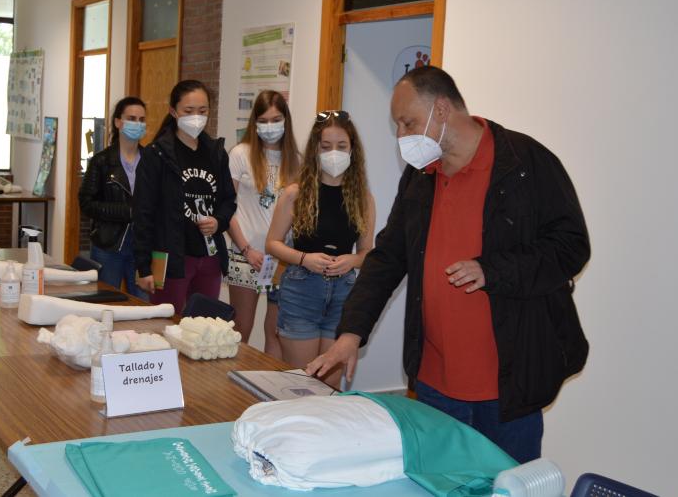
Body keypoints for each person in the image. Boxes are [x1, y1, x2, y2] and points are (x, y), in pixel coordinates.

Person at [306, 66, 590, 463]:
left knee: (508, 486)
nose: (402, 136)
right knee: (440, 486)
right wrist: (351, 332)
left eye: (408, 122)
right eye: (398, 126)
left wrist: (493, 269)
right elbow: (388, 257)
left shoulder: (525, 162)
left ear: (442, 109)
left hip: (508, 387)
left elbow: (571, 247)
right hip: (435, 384)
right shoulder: (421, 176)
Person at [265, 111, 375, 386]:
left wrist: (351, 260)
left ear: (353, 150)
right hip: (301, 290)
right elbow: (272, 243)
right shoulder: (295, 193)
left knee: (329, 387)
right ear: (315, 149)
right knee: (301, 384)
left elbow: (366, 254)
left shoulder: (363, 199)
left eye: (341, 147)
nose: (334, 153)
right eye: (326, 147)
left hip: (344, 294)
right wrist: (304, 258)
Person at [133, 80, 237, 315]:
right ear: (173, 111)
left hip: (209, 256)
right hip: (170, 257)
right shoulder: (156, 154)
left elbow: (228, 200)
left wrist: (218, 221)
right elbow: (143, 213)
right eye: (188, 111)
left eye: (202, 111)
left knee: (204, 326)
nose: (196, 117)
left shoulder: (216, 153)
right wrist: (143, 266)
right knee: (166, 323)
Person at [227, 90, 301, 359]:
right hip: (246, 254)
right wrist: (247, 249)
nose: (270, 126)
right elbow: (226, 209)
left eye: (277, 119)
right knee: (241, 330)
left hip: (281, 260)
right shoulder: (240, 154)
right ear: (255, 122)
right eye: (264, 120)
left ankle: (268, 392)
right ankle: (230, 394)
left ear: (286, 120)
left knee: (276, 332)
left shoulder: (297, 161)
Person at [79, 96, 148, 298]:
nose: (137, 124)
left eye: (142, 120)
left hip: (142, 247)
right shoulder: (101, 162)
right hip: (108, 245)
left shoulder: (151, 161)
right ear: (118, 122)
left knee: (144, 306)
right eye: (131, 118)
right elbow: (86, 203)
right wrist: (125, 212)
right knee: (107, 303)